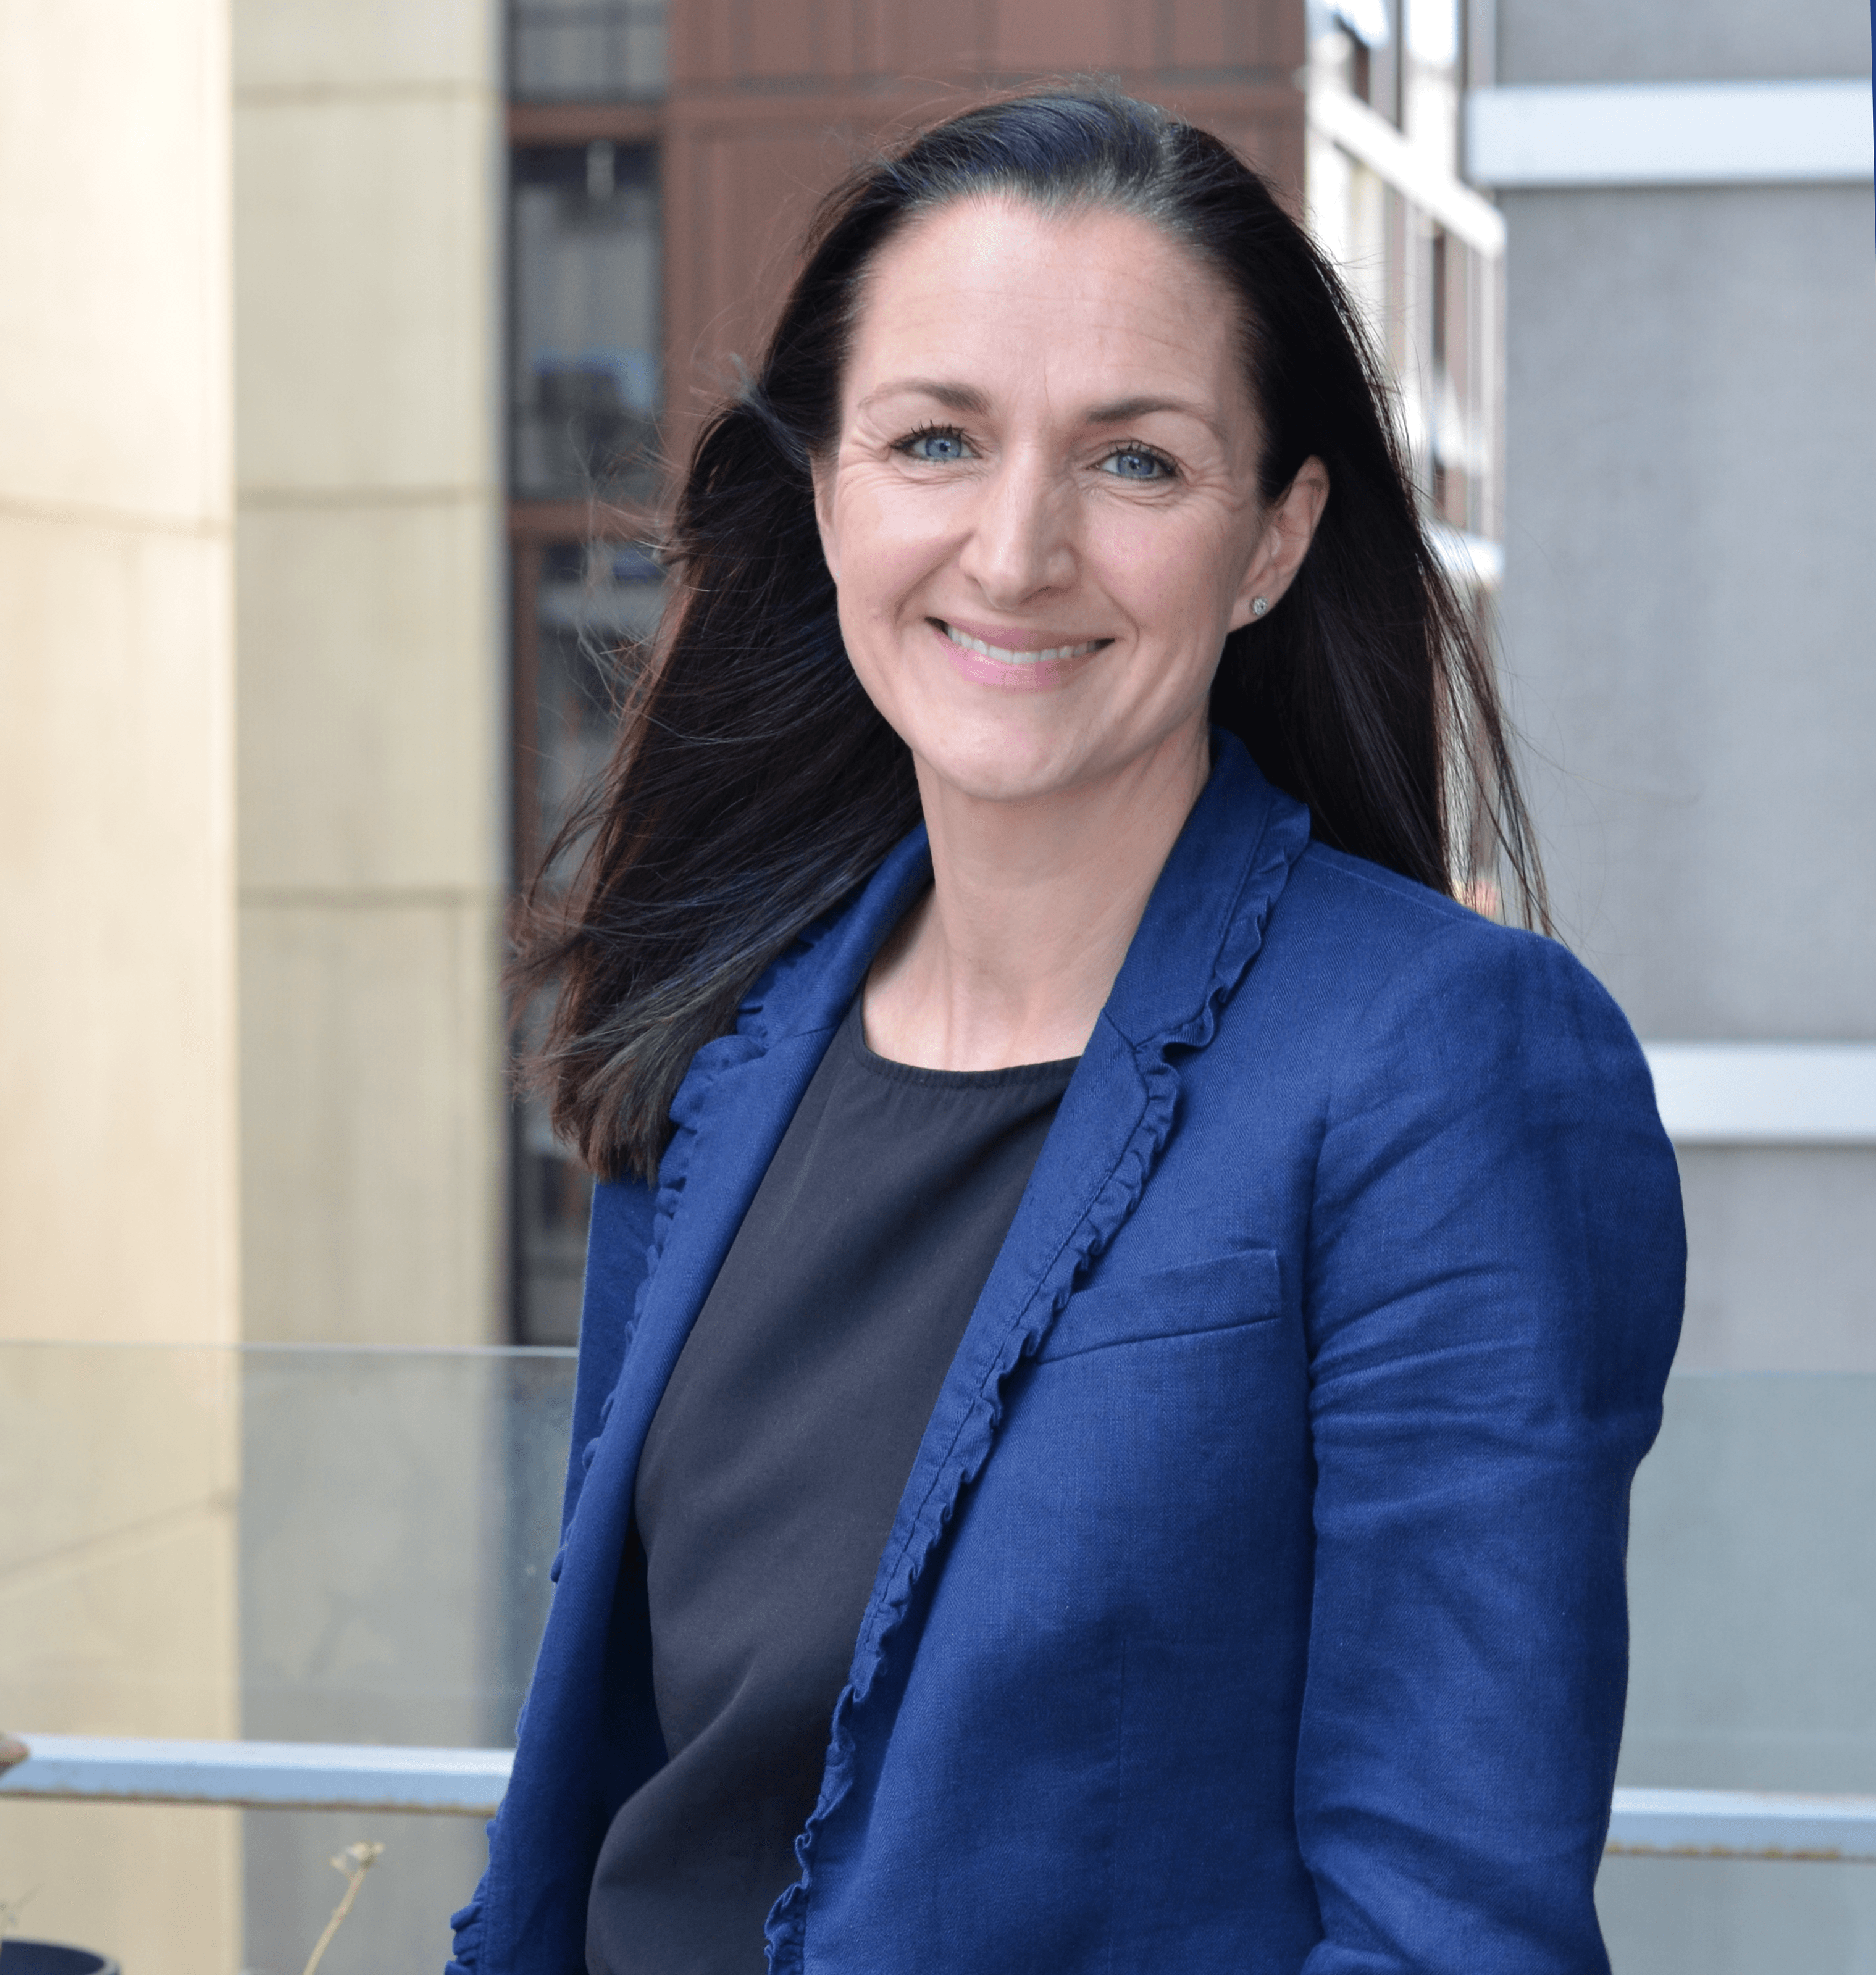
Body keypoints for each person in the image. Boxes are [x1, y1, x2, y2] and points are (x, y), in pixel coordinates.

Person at [450, 87, 1685, 1975]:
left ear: (1270, 540)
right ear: (829, 492)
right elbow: (642, 1793)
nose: (1014, 550)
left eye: (1133, 465)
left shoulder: (1446, 1067)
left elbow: (1451, 1936)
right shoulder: (717, 1041)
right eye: (934, 439)